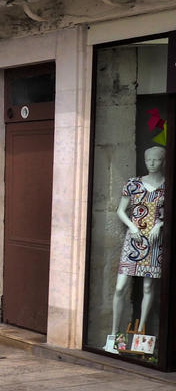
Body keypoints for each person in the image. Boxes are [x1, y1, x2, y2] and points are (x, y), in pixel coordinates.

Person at [106, 145, 165, 353]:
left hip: (154, 243)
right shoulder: (133, 184)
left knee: (148, 288)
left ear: (163, 161)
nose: (151, 163)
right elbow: (121, 210)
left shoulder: (167, 186)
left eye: (156, 159)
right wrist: (132, 226)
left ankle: (140, 339)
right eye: (148, 159)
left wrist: (160, 224)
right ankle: (114, 336)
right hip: (133, 242)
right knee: (120, 287)